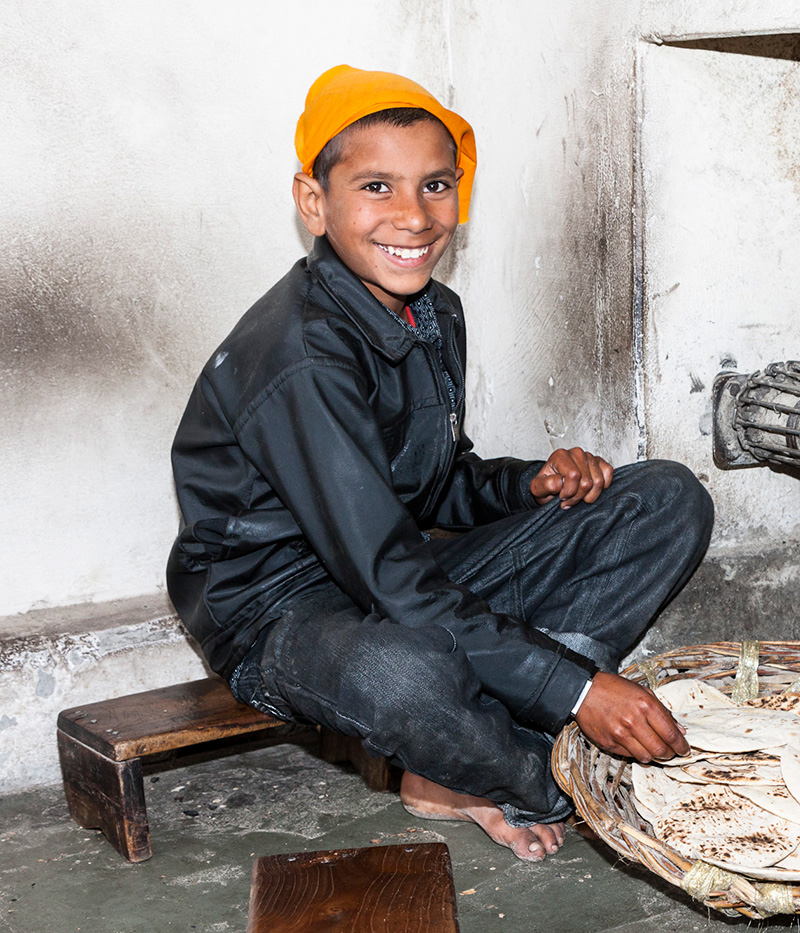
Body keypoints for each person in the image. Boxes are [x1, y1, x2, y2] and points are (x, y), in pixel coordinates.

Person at [166, 65, 711, 862]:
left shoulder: (430, 311)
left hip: (391, 573)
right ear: (313, 201)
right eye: (377, 186)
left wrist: (529, 482)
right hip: (281, 615)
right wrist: (581, 689)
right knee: (407, 675)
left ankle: (480, 737)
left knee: (666, 498)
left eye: (436, 185)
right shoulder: (301, 356)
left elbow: (438, 479)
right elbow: (392, 582)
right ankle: (530, 766)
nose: (414, 217)